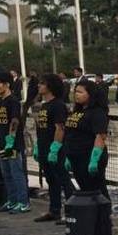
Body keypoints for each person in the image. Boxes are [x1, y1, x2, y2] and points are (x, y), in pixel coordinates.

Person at [32, 73, 75, 223]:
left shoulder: (58, 105)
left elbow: (60, 128)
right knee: (51, 180)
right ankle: (54, 210)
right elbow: (41, 127)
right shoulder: (44, 105)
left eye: (42, 83)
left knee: (63, 179)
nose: (39, 85)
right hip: (44, 147)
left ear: (50, 86)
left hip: (55, 150)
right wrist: (38, 146)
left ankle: (72, 212)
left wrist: (55, 148)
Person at [0, 71, 29, 214]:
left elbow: (15, 121)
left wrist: (10, 140)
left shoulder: (13, 101)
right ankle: (12, 200)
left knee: (16, 172)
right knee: (6, 173)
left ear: (6, 85)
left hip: (12, 145)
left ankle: (23, 202)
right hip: (0, 143)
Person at [64, 79, 109, 197]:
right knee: (85, 189)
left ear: (91, 94)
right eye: (75, 92)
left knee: (97, 191)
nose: (76, 95)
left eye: (80, 92)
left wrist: (94, 160)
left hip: (89, 157)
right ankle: (90, 214)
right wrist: (68, 155)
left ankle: (103, 214)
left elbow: (100, 136)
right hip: (75, 157)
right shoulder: (77, 112)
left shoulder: (97, 112)